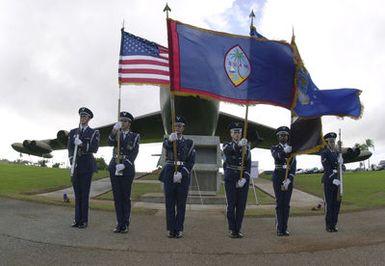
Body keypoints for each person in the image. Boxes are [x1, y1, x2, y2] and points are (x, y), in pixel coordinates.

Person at [159, 116, 195, 238]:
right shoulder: (167, 140)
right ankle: (170, 229)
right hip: (169, 171)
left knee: (181, 204)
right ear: (172, 127)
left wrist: (182, 173)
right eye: (175, 125)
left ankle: (179, 228)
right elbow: (166, 146)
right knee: (169, 203)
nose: (178, 128)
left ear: (183, 128)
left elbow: (190, 162)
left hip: (183, 173)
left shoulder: (189, 143)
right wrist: (170, 140)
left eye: (180, 125)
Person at [68, 107, 100, 229]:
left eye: (85, 116)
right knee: (77, 194)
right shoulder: (73, 132)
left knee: (84, 194)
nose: (82, 118)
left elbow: (94, 148)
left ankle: (84, 221)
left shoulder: (93, 133)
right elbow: (70, 149)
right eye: (81, 116)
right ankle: (77, 219)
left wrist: (81, 144)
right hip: (76, 166)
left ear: (89, 118)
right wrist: (72, 161)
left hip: (87, 165)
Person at [108, 111, 140, 233]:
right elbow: (109, 142)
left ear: (129, 123)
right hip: (114, 166)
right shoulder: (117, 133)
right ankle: (119, 223)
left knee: (125, 197)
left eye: (125, 121)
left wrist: (125, 165)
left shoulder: (135, 136)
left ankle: (125, 223)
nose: (123, 123)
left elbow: (134, 153)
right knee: (117, 197)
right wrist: (113, 131)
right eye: (121, 121)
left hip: (127, 169)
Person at [222, 121, 251, 238]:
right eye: (235, 132)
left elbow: (248, 164)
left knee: (241, 205)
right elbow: (228, 151)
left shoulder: (247, 147)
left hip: (242, 177)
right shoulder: (226, 144)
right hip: (231, 177)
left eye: (239, 132)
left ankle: (238, 229)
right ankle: (232, 228)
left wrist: (245, 178)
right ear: (231, 134)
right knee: (231, 204)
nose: (237, 134)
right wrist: (239, 145)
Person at [271, 126, 296, 236]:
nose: (283, 137)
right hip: (278, 176)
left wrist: (289, 179)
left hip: (288, 178)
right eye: (281, 135)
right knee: (279, 203)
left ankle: (284, 228)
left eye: (285, 135)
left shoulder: (292, 149)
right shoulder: (274, 147)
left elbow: (294, 166)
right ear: (278, 137)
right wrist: (284, 152)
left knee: (286, 204)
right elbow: (276, 156)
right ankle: (279, 227)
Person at [321, 132, 342, 233]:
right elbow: (327, 167)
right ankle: (328, 225)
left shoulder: (338, 153)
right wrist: (333, 178)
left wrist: (342, 164)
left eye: (334, 141)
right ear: (327, 143)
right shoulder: (324, 153)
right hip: (329, 181)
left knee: (336, 204)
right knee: (329, 204)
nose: (333, 143)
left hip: (338, 181)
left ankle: (334, 224)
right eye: (331, 141)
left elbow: (341, 167)